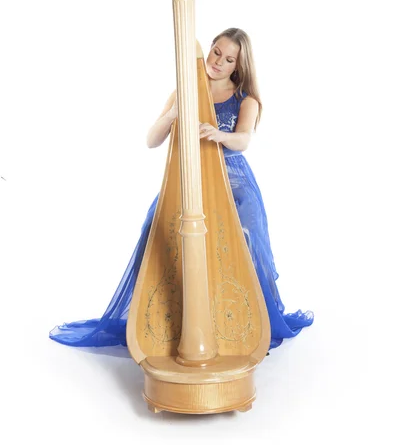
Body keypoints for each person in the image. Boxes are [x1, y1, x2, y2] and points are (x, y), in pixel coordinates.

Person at [49, 28, 314, 350]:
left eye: (228, 59)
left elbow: (243, 140)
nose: (218, 61)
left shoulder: (247, 101)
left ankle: (247, 319)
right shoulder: (184, 90)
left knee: (243, 235)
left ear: (238, 66)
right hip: (187, 179)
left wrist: (220, 135)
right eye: (216, 51)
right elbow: (151, 140)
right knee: (155, 227)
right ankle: (163, 315)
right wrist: (174, 114)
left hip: (233, 181)